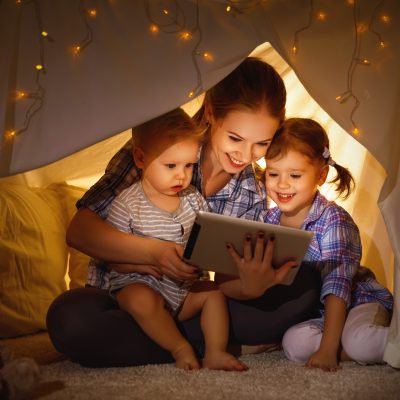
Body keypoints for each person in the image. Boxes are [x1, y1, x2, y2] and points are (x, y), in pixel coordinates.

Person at [47, 58, 321, 368]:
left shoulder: (252, 190)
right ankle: (205, 343)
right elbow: (80, 231)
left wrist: (251, 286)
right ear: (210, 113)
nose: (246, 156)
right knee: (70, 319)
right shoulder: (159, 144)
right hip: (128, 299)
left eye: (262, 144)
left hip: (192, 302)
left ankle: (181, 342)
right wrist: (154, 253)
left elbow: (226, 280)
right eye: (235, 138)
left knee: (306, 286)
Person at [99, 108, 246, 371]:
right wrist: (144, 265)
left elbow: (205, 243)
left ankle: (215, 351)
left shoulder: (193, 199)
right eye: (171, 166)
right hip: (143, 286)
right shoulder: (128, 203)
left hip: (182, 292)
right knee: (140, 300)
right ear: (141, 158)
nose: (181, 175)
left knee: (213, 294)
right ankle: (180, 347)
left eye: (188, 165)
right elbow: (113, 260)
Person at [247, 117, 393, 371]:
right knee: (294, 344)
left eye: (295, 175)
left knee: (361, 343)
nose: (282, 184)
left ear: (321, 175)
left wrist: (327, 349)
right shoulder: (268, 220)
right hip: (320, 313)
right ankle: (342, 348)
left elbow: (337, 288)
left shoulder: (333, 220)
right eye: (273, 173)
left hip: (357, 301)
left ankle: (378, 341)